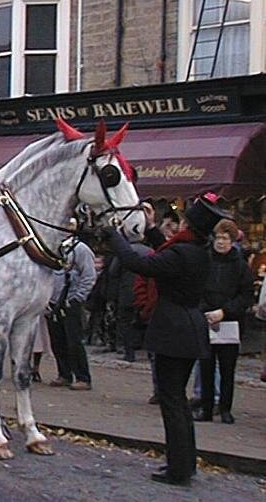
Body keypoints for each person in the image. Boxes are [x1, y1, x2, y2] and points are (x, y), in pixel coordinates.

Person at [102, 196, 231, 487]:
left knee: (171, 400)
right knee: (179, 402)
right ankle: (185, 462)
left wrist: (115, 236)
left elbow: (139, 262)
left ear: (187, 225)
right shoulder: (197, 250)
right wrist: (149, 229)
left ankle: (178, 469)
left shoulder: (182, 253)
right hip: (189, 327)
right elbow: (168, 247)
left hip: (174, 330)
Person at [193, 219, 253, 425]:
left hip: (230, 323)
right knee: (206, 366)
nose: (220, 242)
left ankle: (225, 408)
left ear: (232, 241)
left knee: (227, 369)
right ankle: (206, 407)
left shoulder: (240, 266)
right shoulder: (205, 261)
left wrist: (225, 311)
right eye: (218, 237)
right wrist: (205, 310)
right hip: (206, 318)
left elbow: (245, 296)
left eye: (225, 238)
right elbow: (197, 289)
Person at [47, 233, 97, 391]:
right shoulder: (51, 247)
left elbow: (89, 275)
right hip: (52, 302)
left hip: (70, 300)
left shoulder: (80, 249)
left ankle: (83, 377)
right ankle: (64, 374)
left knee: (74, 341)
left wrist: (78, 297)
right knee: (57, 340)